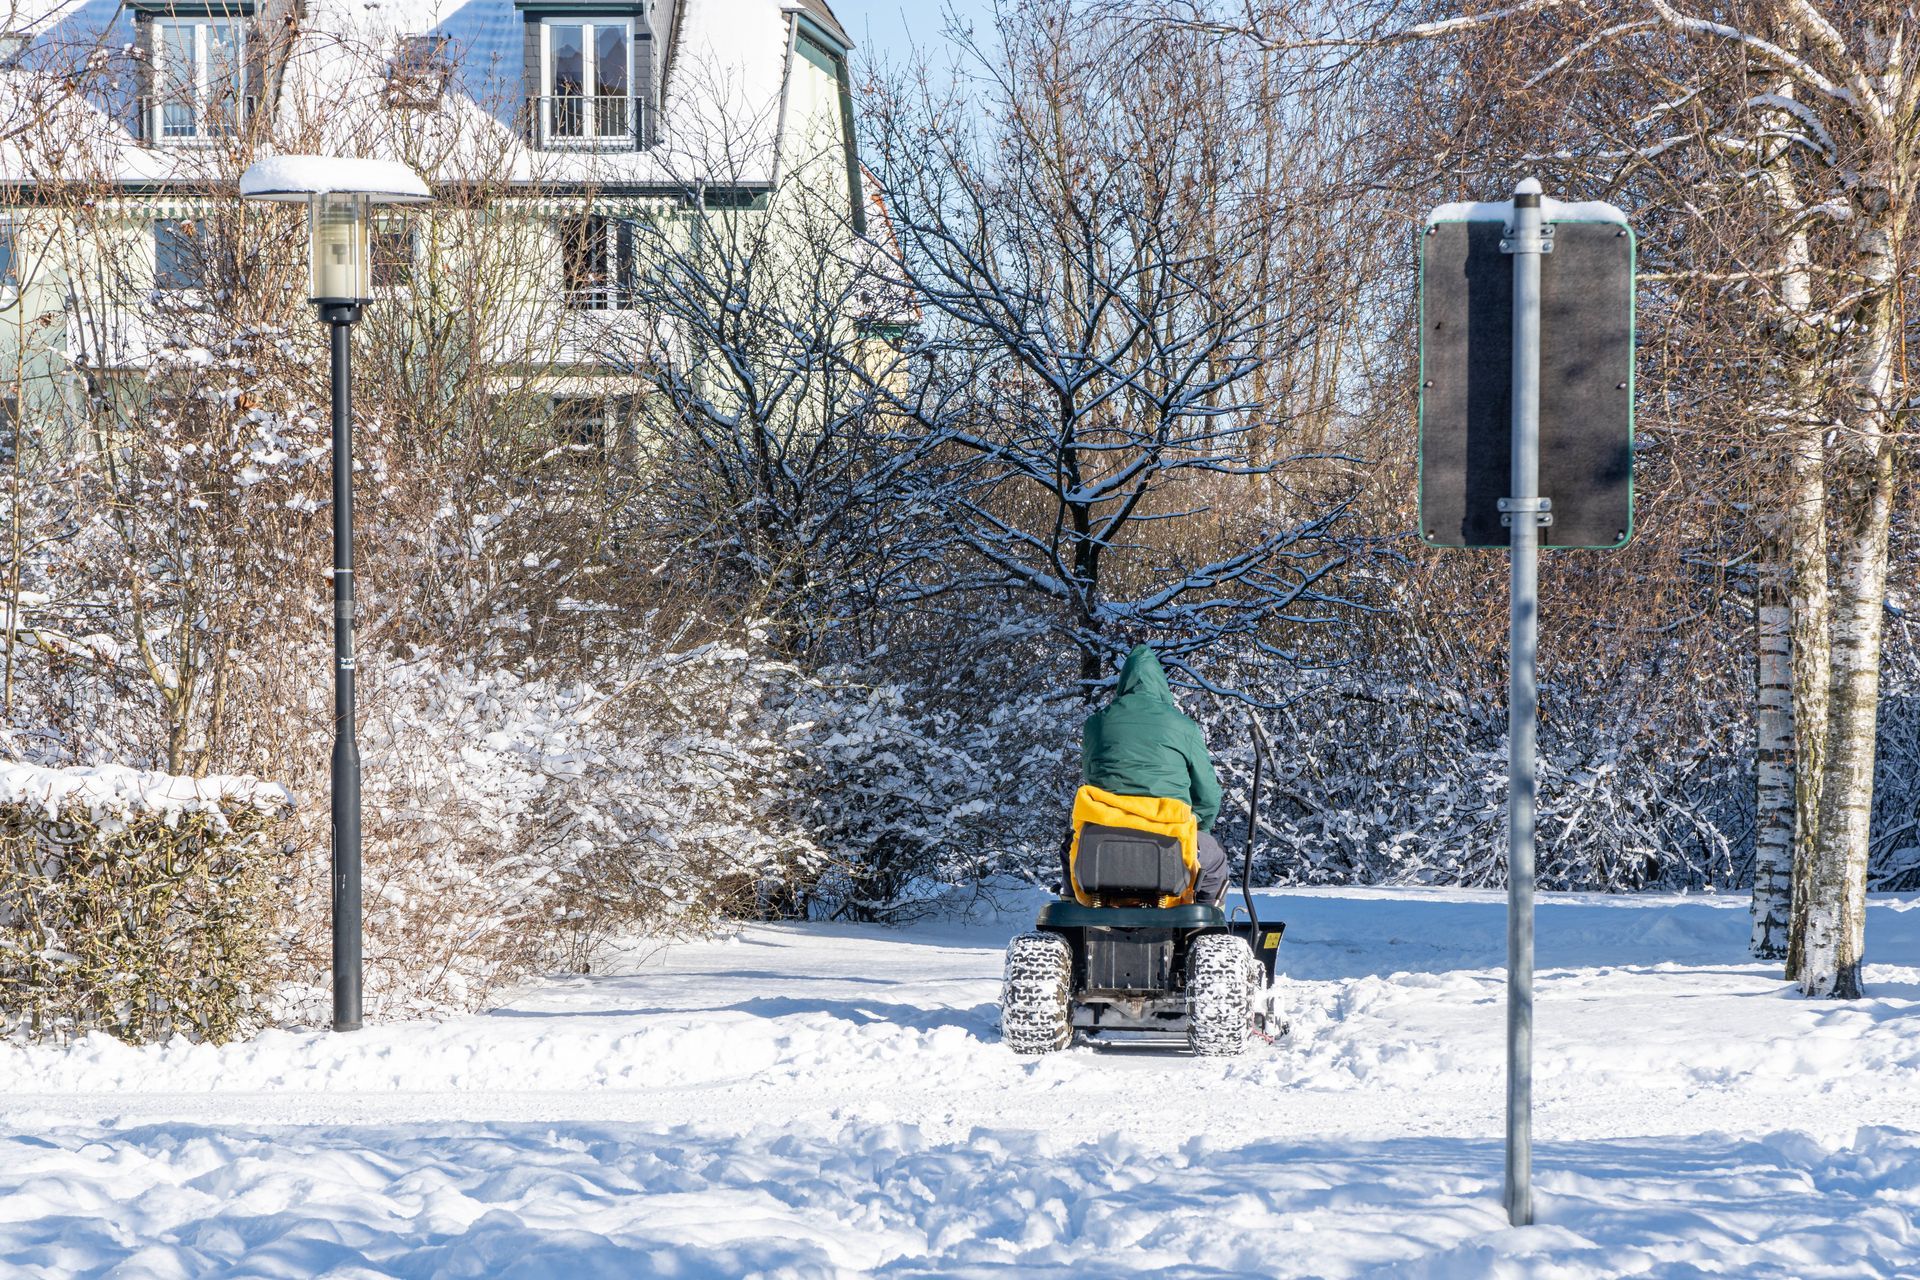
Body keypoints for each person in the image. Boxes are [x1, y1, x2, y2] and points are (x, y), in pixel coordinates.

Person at [1076, 644, 1229, 905]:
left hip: (1105, 831)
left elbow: (1091, 776)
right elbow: (1208, 795)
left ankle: (1078, 915)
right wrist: (1198, 826)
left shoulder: (1097, 723)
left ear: (1123, 683)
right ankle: (1202, 926)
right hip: (1169, 832)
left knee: (1070, 847)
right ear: (1161, 685)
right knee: (1215, 860)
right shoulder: (1183, 726)